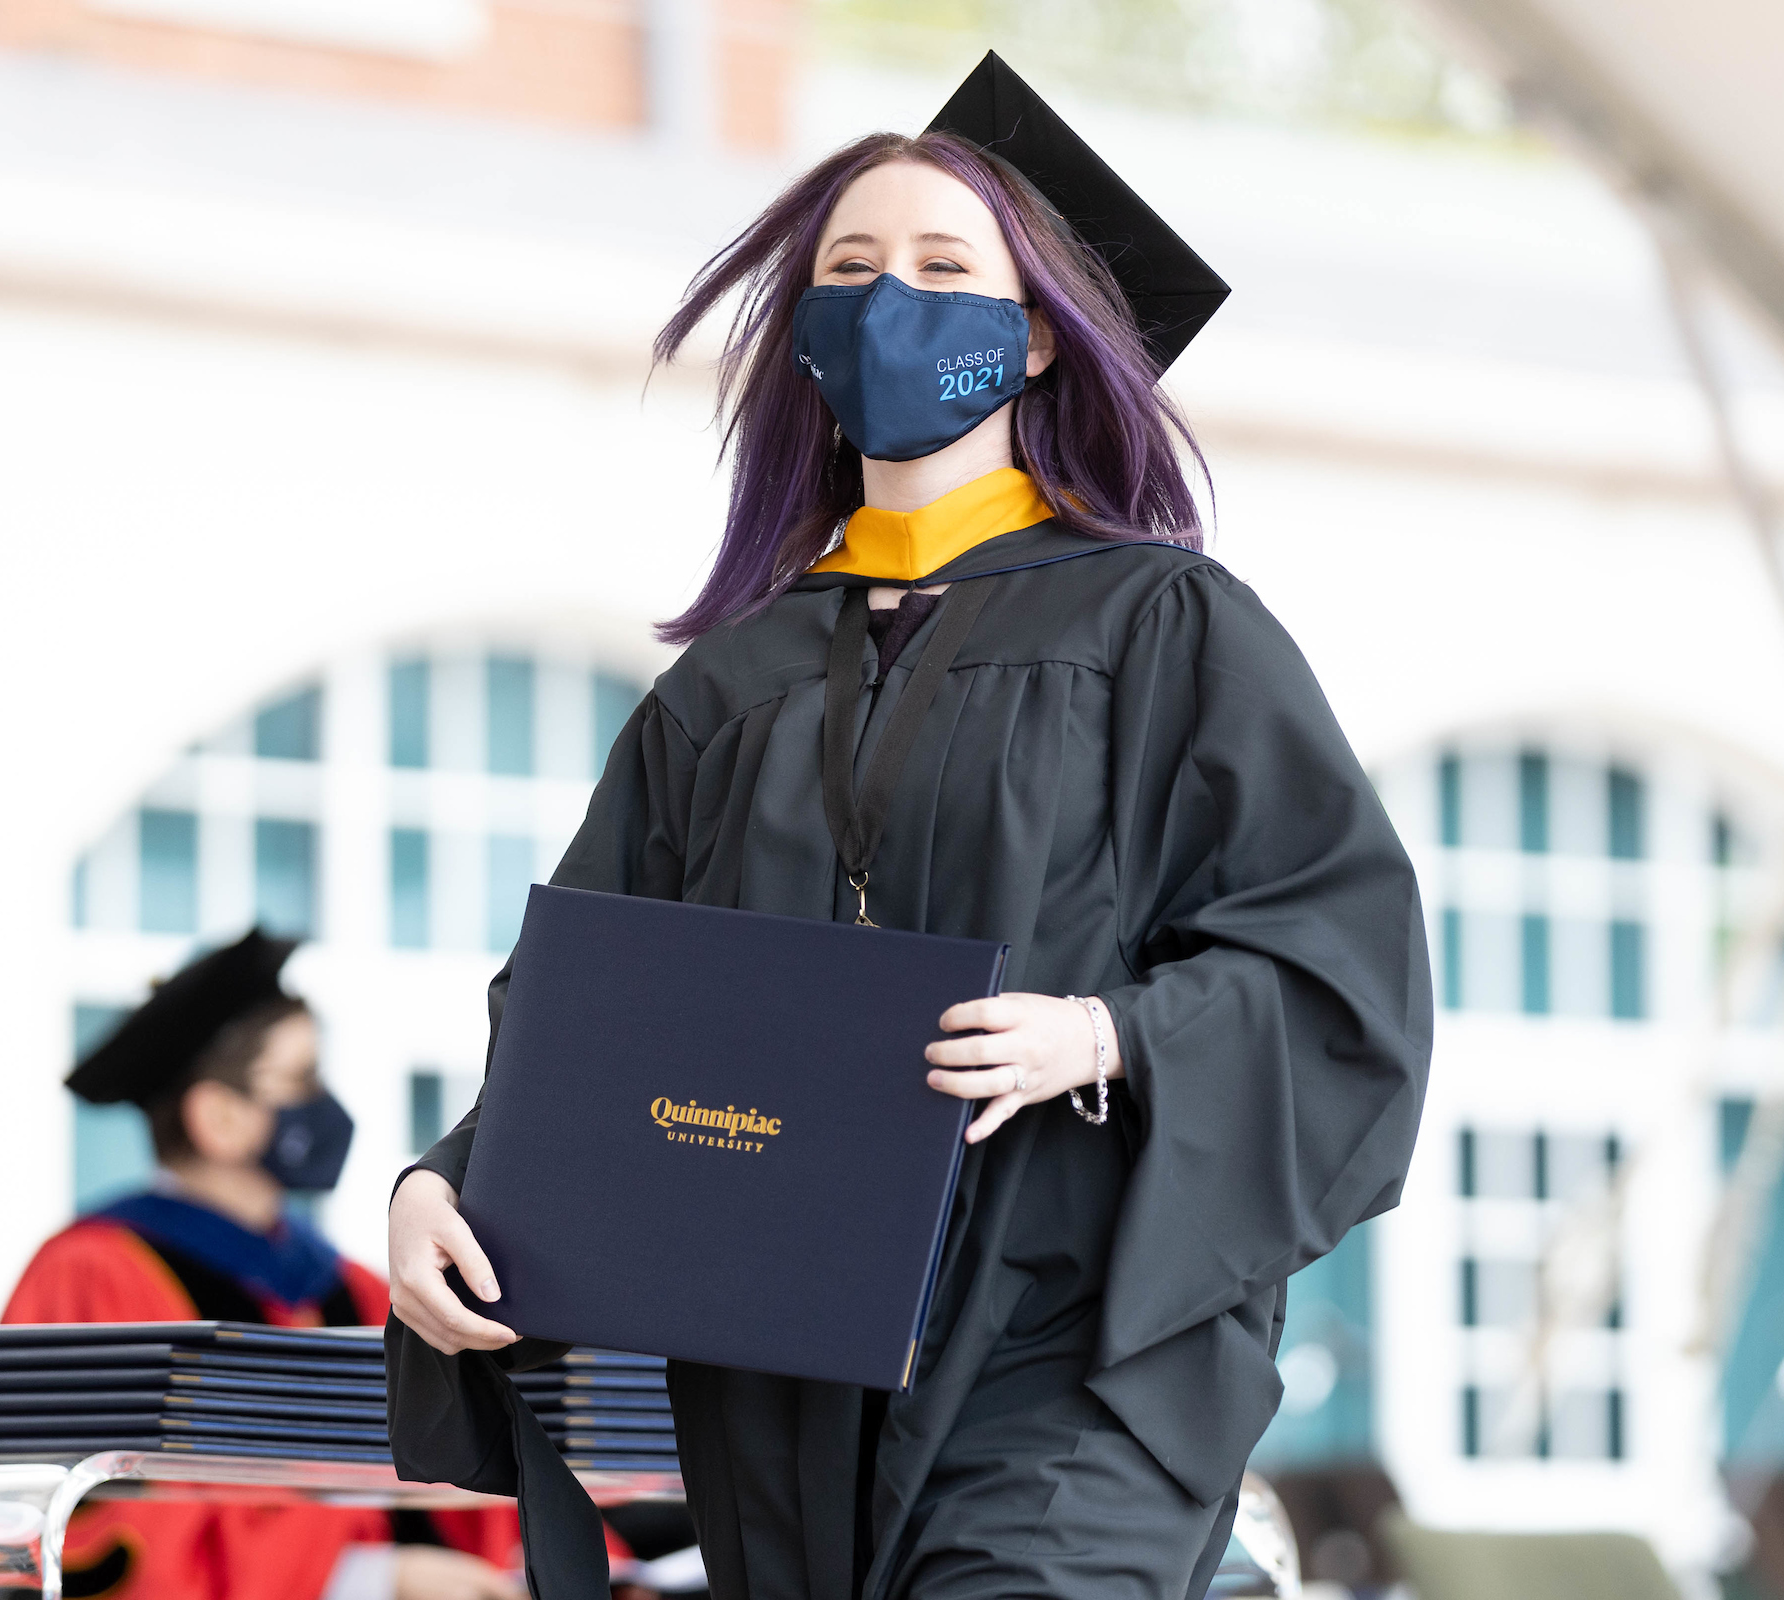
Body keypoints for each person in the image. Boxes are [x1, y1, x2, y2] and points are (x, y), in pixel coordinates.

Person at [385, 53, 1430, 1600]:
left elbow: (1341, 963)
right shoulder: (729, 689)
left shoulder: (1163, 628)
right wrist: (442, 1185)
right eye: (849, 272)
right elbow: (606, 1018)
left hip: (1067, 1343)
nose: (891, 302)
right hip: (786, 1365)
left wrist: (1107, 1037)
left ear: (1036, 340)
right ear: (805, 337)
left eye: (946, 270)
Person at [4, 929, 524, 1600]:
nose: (324, 1102)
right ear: (217, 1117)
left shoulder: (351, 1287)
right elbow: (113, 1532)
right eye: (300, 1079)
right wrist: (371, 1580)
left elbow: (460, 1477)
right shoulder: (91, 1277)